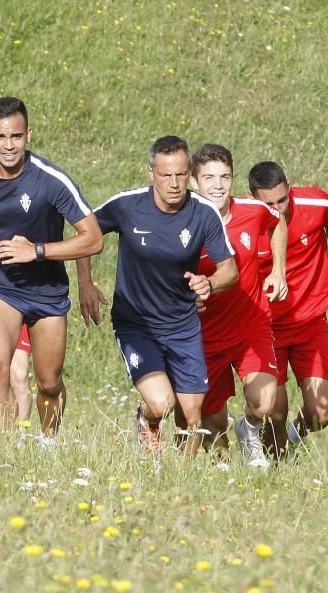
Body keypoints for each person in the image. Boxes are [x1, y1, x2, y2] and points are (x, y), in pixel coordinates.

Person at [0, 97, 103, 445]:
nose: (8, 145)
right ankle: (9, 446)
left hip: (47, 293)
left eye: (16, 136)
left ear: (28, 134)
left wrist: (38, 252)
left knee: (48, 383)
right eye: (0, 137)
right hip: (0, 289)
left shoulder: (51, 180)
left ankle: (48, 443)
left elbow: (92, 238)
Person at [77, 136, 237, 456]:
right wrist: (86, 283)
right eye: (166, 175)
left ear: (189, 172)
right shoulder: (127, 204)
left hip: (183, 325)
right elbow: (87, 233)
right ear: (150, 172)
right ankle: (147, 423)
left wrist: (210, 283)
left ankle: (180, 479)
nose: (174, 183)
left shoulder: (204, 212)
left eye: (181, 174)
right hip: (136, 324)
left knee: (193, 418)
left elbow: (229, 270)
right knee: (161, 404)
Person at [249, 161, 328, 457]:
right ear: (253, 199)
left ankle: (293, 437)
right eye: (269, 204)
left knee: (320, 414)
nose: (278, 209)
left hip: (310, 323)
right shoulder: (246, 223)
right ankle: (278, 466)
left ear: (290, 188)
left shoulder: (316, 202)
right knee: (275, 412)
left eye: (282, 200)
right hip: (267, 329)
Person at [189, 144, 287, 466]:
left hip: (250, 325)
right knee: (213, 425)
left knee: (265, 402)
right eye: (209, 178)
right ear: (193, 181)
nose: (218, 185)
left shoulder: (252, 210)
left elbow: (278, 223)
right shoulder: (182, 223)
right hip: (205, 336)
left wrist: (278, 269)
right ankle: (225, 468)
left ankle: (249, 428)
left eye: (225, 177)